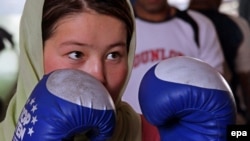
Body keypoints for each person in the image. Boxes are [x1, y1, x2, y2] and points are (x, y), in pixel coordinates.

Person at [0, 0, 160, 140]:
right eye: (76, 54)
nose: (98, 75)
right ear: (34, 53)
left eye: (113, 55)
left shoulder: (159, 135)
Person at [122, 0, 225, 113]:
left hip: (186, 123)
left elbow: (215, 84)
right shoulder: (119, 25)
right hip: (130, 123)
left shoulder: (199, 24)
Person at [189, 0, 250, 124]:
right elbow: (246, 77)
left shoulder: (235, 24)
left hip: (188, 115)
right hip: (226, 112)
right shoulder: (235, 24)